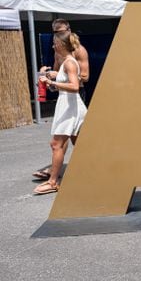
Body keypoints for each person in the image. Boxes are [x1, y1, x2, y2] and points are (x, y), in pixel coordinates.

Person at [33, 19, 90, 181]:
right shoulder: (58, 51)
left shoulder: (79, 51)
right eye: (55, 33)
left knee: (64, 134)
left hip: (76, 94)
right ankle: (61, 169)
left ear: (68, 30)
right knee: (70, 134)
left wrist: (58, 78)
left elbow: (84, 77)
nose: (57, 36)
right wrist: (48, 74)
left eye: (60, 32)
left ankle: (54, 174)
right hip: (64, 93)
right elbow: (59, 72)